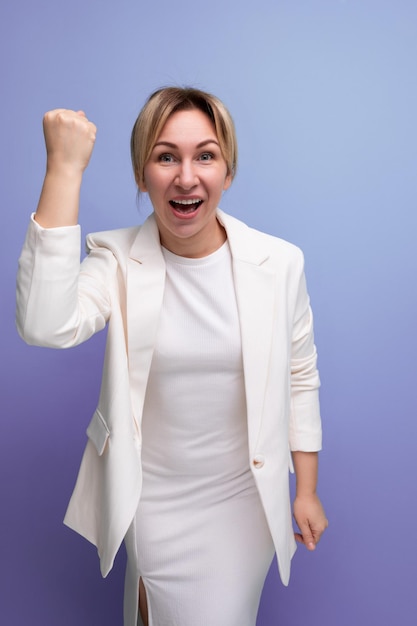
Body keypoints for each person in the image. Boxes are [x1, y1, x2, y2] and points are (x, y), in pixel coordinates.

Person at [16, 87, 328, 626]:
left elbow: (301, 374)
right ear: (143, 174)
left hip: (242, 503)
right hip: (151, 502)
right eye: (166, 157)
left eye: (205, 155)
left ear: (227, 171)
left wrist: (306, 489)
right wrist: (64, 168)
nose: (187, 177)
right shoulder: (116, 261)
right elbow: (45, 325)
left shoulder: (279, 263)